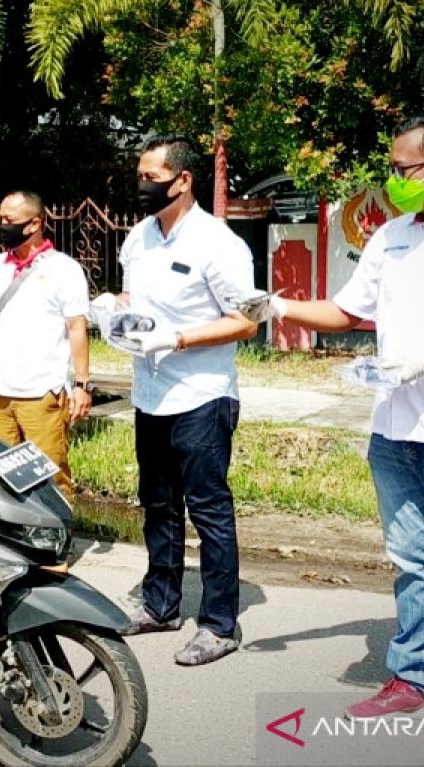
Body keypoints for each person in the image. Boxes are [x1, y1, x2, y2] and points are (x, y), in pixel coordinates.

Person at [237, 113, 424, 766]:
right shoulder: (393, 237)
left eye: (403, 169)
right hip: (395, 430)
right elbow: (351, 313)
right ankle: (412, 678)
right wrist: (280, 306)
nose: (393, 180)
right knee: (410, 564)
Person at [115, 135, 259, 667]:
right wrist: (113, 309)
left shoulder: (218, 244)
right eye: (140, 175)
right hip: (150, 394)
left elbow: (245, 319)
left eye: (153, 176)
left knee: (209, 511)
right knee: (157, 505)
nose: (142, 185)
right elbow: (135, 301)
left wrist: (176, 338)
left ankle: (220, 625)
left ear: (183, 180)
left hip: (201, 396)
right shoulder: (138, 238)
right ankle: (161, 605)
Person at [0, 190, 92, 501]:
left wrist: (82, 384)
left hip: (43, 393)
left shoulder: (63, 269)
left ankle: (58, 543)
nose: (2, 226)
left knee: (51, 474)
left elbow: (77, 328)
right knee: (3, 475)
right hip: (3, 393)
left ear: (34, 224)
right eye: (0, 219)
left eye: (10, 221)